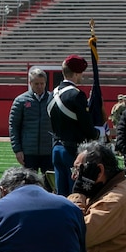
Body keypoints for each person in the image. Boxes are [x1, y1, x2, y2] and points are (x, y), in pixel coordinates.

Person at [48, 55, 97, 195]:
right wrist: (97, 133)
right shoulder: (76, 95)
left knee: (61, 192)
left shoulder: (52, 94)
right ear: (76, 73)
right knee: (75, 192)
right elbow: (86, 126)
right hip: (72, 150)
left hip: (56, 147)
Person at [8, 67, 53, 175]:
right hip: (28, 152)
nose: (39, 86)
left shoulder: (52, 99)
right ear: (30, 83)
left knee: (49, 186)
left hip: (48, 151)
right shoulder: (21, 101)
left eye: (42, 83)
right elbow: (14, 125)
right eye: (36, 83)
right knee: (29, 184)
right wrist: (17, 150)